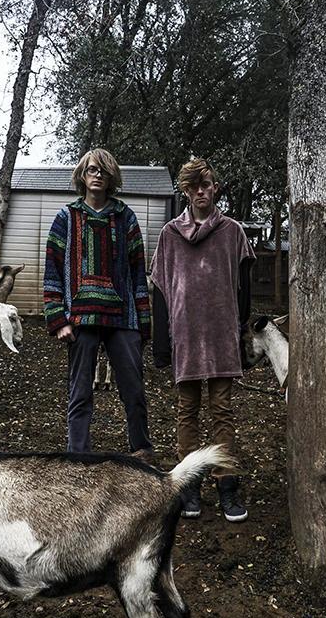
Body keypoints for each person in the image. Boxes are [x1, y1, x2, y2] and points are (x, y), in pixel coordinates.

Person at [150, 158, 255, 522]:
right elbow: (160, 290)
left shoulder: (232, 232)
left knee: (222, 411)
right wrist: (161, 343)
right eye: (193, 186)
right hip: (186, 336)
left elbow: (244, 287)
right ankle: (189, 487)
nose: (200, 191)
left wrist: (240, 330)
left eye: (206, 184)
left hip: (221, 334)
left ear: (214, 188)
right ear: (185, 191)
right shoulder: (170, 235)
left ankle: (227, 486)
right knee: (187, 411)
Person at [43, 148, 152, 456]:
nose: (97, 176)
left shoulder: (125, 217)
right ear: (82, 174)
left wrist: (144, 325)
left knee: (134, 393)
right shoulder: (66, 217)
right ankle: (77, 460)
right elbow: (52, 269)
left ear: (111, 178)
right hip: (80, 319)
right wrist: (58, 319)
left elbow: (138, 273)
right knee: (80, 395)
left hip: (124, 319)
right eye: (92, 170)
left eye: (103, 171)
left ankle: (142, 455)